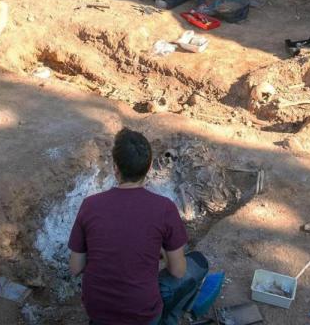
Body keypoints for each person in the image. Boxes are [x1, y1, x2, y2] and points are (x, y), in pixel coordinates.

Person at [68, 129, 209, 325]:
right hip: (142, 314)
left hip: (97, 312)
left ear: (115, 167)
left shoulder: (90, 205)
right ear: (149, 166)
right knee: (199, 262)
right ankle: (168, 320)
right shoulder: (164, 208)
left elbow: (75, 268)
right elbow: (177, 271)